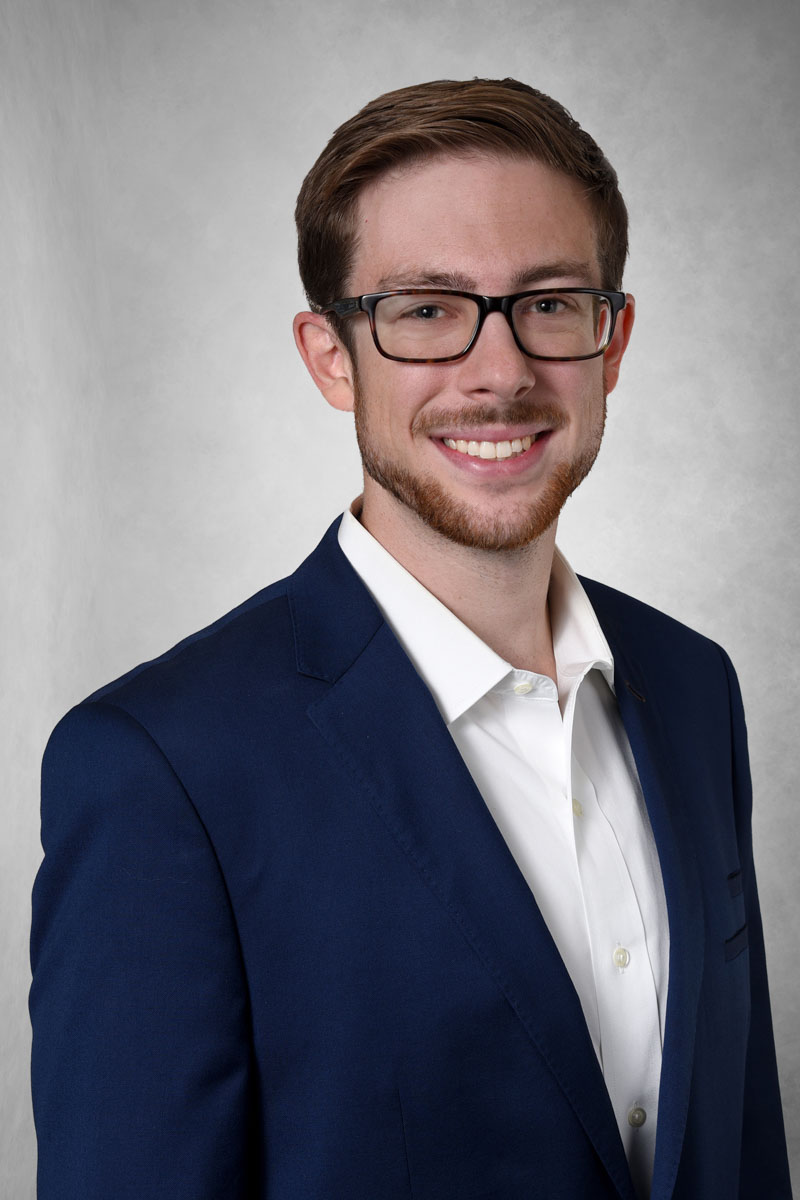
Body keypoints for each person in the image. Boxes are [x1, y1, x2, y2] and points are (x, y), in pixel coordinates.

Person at [30, 78, 791, 1200]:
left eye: (548, 303)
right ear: (331, 357)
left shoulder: (691, 687)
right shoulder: (161, 769)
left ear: (613, 340)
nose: (501, 372)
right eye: (427, 310)